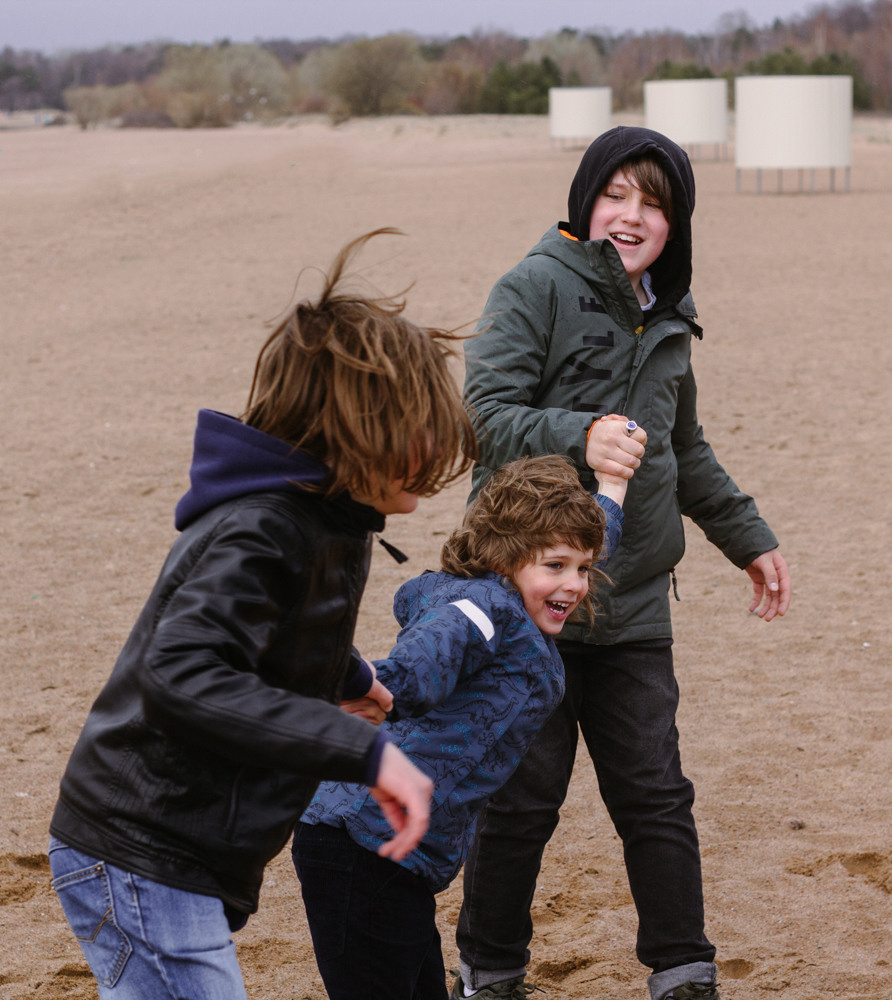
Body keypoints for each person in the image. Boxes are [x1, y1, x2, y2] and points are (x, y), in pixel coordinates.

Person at [48, 228, 477, 999]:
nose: (440, 441)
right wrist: (366, 752)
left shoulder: (330, 520)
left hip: (173, 851)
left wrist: (346, 675)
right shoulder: (262, 526)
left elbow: (276, 629)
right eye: (420, 426)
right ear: (357, 426)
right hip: (141, 844)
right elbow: (181, 673)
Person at [453, 127, 792, 1000]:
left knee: (654, 794)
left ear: (675, 223)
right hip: (528, 601)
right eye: (616, 195)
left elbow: (684, 450)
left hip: (634, 602)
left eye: (654, 203)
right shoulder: (534, 286)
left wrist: (748, 538)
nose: (631, 216)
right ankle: (490, 973)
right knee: (521, 801)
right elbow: (483, 416)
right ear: (585, 200)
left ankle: (683, 970)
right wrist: (580, 431)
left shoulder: (668, 315)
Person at [293, 453, 630, 1000]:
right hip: (360, 840)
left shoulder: (520, 599)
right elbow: (429, 655)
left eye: (585, 567)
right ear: (503, 559)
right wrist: (381, 688)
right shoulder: (478, 608)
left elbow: (594, 528)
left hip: (405, 852)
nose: (576, 583)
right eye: (556, 566)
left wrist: (613, 483)